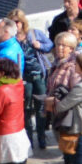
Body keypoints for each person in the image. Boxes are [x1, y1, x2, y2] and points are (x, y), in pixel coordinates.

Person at [44, 30, 82, 164]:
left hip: (69, 117)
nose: (59, 48)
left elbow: (77, 93)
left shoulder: (74, 67)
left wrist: (58, 100)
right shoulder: (57, 64)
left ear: (71, 48)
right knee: (67, 155)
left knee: (71, 155)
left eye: (64, 46)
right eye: (58, 44)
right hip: (58, 114)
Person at [17, 12, 53, 151]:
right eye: (13, 22)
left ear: (22, 22)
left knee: (41, 107)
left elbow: (49, 45)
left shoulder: (34, 33)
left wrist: (40, 46)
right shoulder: (14, 39)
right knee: (26, 108)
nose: (16, 25)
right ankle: (29, 139)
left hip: (38, 75)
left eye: (17, 21)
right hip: (24, 78)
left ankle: (42, 137)